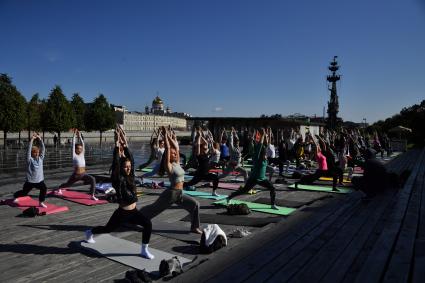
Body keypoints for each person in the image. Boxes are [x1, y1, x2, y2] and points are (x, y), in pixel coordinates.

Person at [85, 126, 154, 259]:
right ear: (121, 168)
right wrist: (117, 145)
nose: (128, 168)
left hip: (134, 211)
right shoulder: (118, 178)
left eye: (129, 167)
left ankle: (144, 250)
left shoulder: (131, 176)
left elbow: (131, 160)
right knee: (108, 229)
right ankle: (90, 232)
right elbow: (116, 162)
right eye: (125, 167)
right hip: (122, 212)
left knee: (147, 224)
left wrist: (125, 142)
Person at [140, 126, 202, 234]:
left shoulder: (177, 163)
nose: (174, 154)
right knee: (154, 209)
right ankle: (136, 217)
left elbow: (176, 147)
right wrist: (165, 136)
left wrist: (171, 135)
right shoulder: (168, 165)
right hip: (171, 193)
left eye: (175, 154)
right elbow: (169, 148)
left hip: (180, 193)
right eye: (172, 154)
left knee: (195, 205)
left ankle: (194, 227)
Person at [227, 128, 278, 209]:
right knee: (244, 191)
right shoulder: (257, 157)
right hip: (254, 178)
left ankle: (272, 205)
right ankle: (229, 197)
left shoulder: (265, 159)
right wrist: (263, 135)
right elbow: (260, 145)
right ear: (261, 154)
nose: (266, 155)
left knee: (272, 188)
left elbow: (266, 144)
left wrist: (267, 135)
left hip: (262, 179)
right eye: (265, 154)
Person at [55, 129, 97, 200]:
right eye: (78, 148)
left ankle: (92, 195)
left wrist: (80, 136)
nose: (80, 150)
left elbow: (83, 144)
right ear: (75, 149)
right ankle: (59, 188)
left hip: (83, 174)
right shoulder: (74, 155)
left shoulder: (82, 154)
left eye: (81, 149)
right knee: (67, 184)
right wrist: (74, 135)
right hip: (76, 175)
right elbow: (73, 144)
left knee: (93, 179)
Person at [13, 133, 48, 208]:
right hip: (30, 181)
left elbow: (43, 149)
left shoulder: (41, 159)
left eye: (38, 152)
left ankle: (41, 202)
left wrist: (40, 139)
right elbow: (29, 150)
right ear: (32, 153)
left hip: (39, 181)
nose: (37, 154)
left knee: (44, 188)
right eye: (35, 152)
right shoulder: (29, 160)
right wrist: (32, 139)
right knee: (24, 193)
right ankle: (16, 196)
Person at [183, 128, 220, 196]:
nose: (206, 147)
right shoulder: (199, 154)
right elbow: (198, 145)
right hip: (199, 174)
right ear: (202, 148)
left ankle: (214, 192)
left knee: (216, 178)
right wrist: (199, 137)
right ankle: (178, 186)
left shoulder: (206, 153)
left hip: (206, 173)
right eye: (205, 147)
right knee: (190, 183)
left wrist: (201, 134)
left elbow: (205, 142)